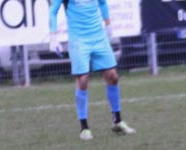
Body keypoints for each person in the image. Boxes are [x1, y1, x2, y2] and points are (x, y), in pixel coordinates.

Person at [48, 0, 135, 141]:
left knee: (113, 76)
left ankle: (117, 121)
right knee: (83, 80)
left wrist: (108, 24)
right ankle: (84, 128)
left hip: (99, 37)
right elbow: (53, 11)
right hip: (79, 40)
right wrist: (53, 37)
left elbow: (103, 3)